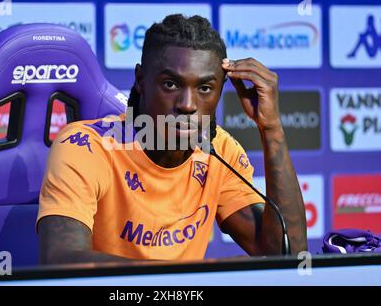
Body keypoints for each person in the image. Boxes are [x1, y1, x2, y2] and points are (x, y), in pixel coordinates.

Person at [37, 14, 307, 264]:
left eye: (204, 88)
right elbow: (62, 259)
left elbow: (286, 256)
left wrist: (271, 129)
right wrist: (192, 277)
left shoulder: (219, 151)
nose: (188, 105)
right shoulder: (86, 147)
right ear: (141, 80)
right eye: (171, 84)